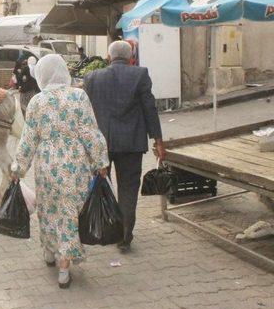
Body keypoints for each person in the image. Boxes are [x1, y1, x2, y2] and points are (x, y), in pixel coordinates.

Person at [10, 54, 109, 289]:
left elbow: (28, 139)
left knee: (49, 209)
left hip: (47, 168)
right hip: (75, 167)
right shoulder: (79, 96)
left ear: (42, 75)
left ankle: (49, 251)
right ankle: (64, 268)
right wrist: (101, 161)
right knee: (70, 213)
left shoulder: (36, 102)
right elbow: (90, 132)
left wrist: (18, 168)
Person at [83, 40, 166, 253]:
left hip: (102, 144)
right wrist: (158, 139)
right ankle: (125, 236)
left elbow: (87, 112)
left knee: (103, 186)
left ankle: (105, 228)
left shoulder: (93, 77)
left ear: (108, 57)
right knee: (128, 189)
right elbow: (150, 108)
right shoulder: (140, 75)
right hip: (131, 143)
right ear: (131, 58)